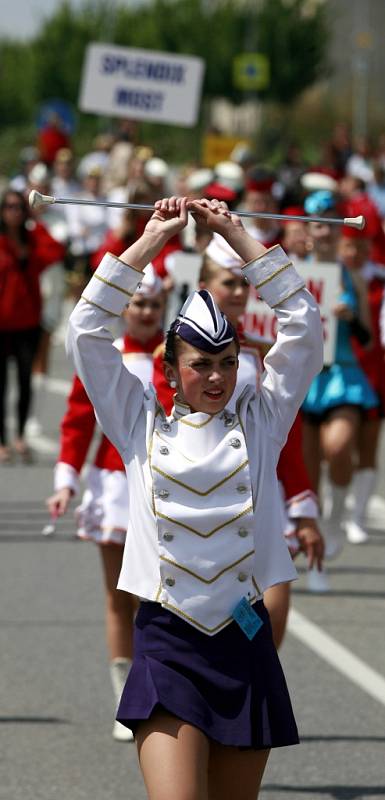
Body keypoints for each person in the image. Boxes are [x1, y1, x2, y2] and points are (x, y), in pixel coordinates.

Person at [67, 196, 323, 800]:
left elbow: (304, 325)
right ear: (173, 370)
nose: (215, 377)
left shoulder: (263, 421)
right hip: (166, 639)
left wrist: (238, 237)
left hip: (243, 635)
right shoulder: (137, 423)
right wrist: (151, 240)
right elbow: (86, 329)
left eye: (227, 363)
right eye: (201, 365)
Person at [47, 265, 165, 741]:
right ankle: (126, 694)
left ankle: (159, 685)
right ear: (125, 307)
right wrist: (66, 480)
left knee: (154, 596)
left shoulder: (178, 356)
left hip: (161, 487)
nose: (146, 312)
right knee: (119, 595)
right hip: (114, 487)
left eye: (155, 304)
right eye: (138, 303)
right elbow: (78, 419)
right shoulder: (108, 355)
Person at [301, 191, 379, 558]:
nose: (326, 232)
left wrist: (350, 317)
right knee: (307, 473)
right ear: (308, 231)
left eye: (333, 223)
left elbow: (367, 338)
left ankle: (337, 516)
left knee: (339, 446)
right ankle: (315, 541)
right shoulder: (295, 273)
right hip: (303, 378)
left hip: (342, 376)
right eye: (319, 225)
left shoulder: (352, 278)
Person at [0, 190, 65, 463]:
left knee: (26, 381)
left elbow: (56, 251)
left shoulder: (33, 239)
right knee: (1, 384)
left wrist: (36, 222)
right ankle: (3, 440)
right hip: (2, 325)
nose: (14, 211)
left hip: (28, 323)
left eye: (18, 207)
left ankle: (21, 437)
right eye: (9, 207)